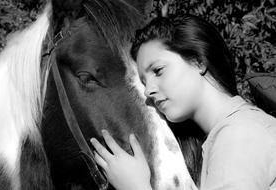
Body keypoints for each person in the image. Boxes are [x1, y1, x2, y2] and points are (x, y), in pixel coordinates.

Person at [90, 14, 276, 190]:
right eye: (144, 82)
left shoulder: (239, 135)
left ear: (198, 62)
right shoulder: (233, 132)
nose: (148, 90)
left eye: (158, 70)